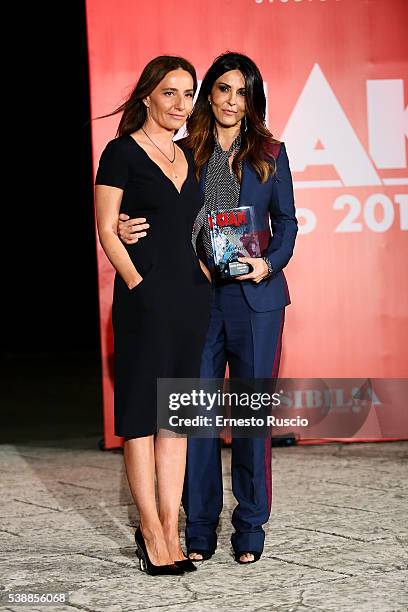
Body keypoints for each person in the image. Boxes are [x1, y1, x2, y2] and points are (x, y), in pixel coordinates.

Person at [118, 52, 297, 564]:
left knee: (249, 419)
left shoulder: (270, 151)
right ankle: (197, 529)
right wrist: (127, 227)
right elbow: (153, 211)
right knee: (191, 417)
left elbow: (287, 223)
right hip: (195, 299)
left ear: (252, 99)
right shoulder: (181, 152)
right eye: (222, 89)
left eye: (241, 92)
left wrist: (267, 266)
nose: (231, 101)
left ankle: (250, 529)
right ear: (209, 95)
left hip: (256, 301)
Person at [95, 55, 212, 576]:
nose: (180, 105)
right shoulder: (120, 153)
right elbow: (105, 228)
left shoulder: (191, 153)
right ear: (147, 95)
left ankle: (172, 526)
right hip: (144, 300)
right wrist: (139, 285)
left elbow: (202, 225)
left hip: (191, 300)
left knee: (177, 420)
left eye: (188, 95)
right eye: (170, 93)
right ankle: (150, 530)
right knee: (143, 418)